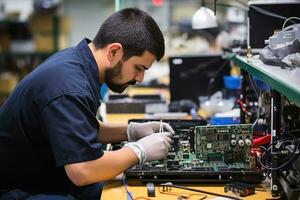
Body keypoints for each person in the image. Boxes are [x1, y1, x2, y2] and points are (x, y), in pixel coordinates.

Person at [0, 8, 174, 200]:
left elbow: (80, 129)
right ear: (114, 51)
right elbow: (83, 170)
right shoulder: (69, 86)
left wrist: (130, 131)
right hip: (17, 191)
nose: (140, 78)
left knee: (117, 186)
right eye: (138, 68)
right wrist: (138, 151)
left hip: (41, 175)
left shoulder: (78, 63)